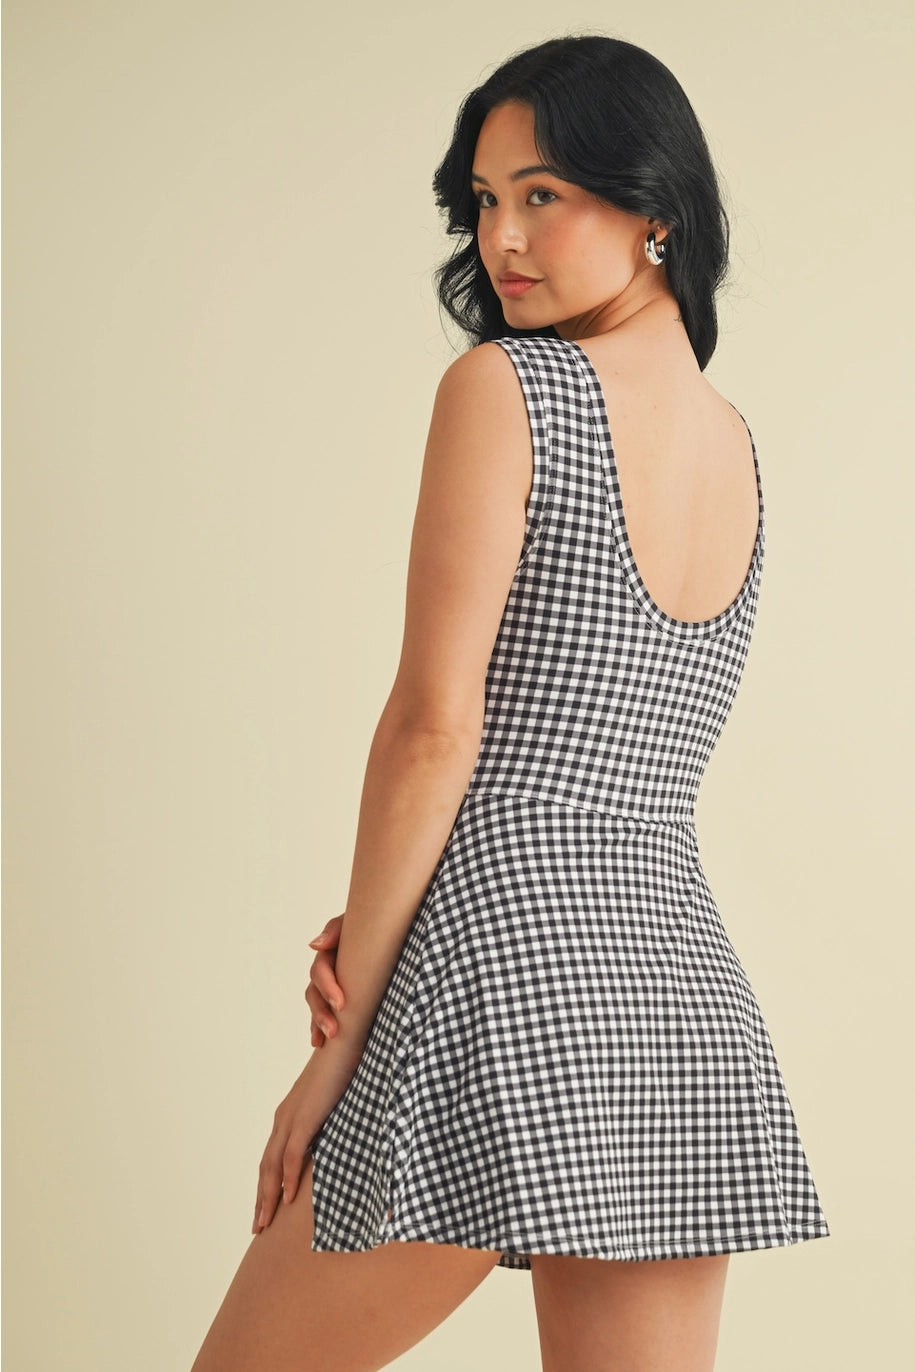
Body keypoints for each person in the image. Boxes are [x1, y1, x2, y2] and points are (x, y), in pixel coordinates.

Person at [189, 34, 830, 1372]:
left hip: (500, 962)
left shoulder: (509, 389)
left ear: (656, 205)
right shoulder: (738, 447)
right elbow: (591, 744)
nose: (502, 237)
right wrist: (378, 920)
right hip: (668, 986)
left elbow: (438, 730)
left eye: (544, 193)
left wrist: (347, 1019)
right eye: (484, 200)